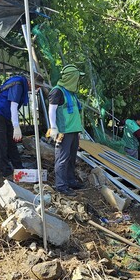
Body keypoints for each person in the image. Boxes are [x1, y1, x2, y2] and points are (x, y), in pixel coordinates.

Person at [47, 64, 85, 197]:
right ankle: (61, 186)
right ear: (71, 78)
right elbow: (52, 110)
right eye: (77, 78)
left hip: (73, 130)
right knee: (62, 159)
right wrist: (53, 127)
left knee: (71, 158)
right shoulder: (57, 91)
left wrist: (78, 131)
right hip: (63, 131)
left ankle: (70, 181)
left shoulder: (71, 93)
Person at [0, 74, 29, 177]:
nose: (36, 89)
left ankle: (18, 167)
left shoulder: (19, 82)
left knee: (11, 142)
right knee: (1, 142)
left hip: (5, 115)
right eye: (37, 87)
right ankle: (5, 171)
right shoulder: (19, 84)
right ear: (30, 83)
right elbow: (13, 105)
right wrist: (16, 126)